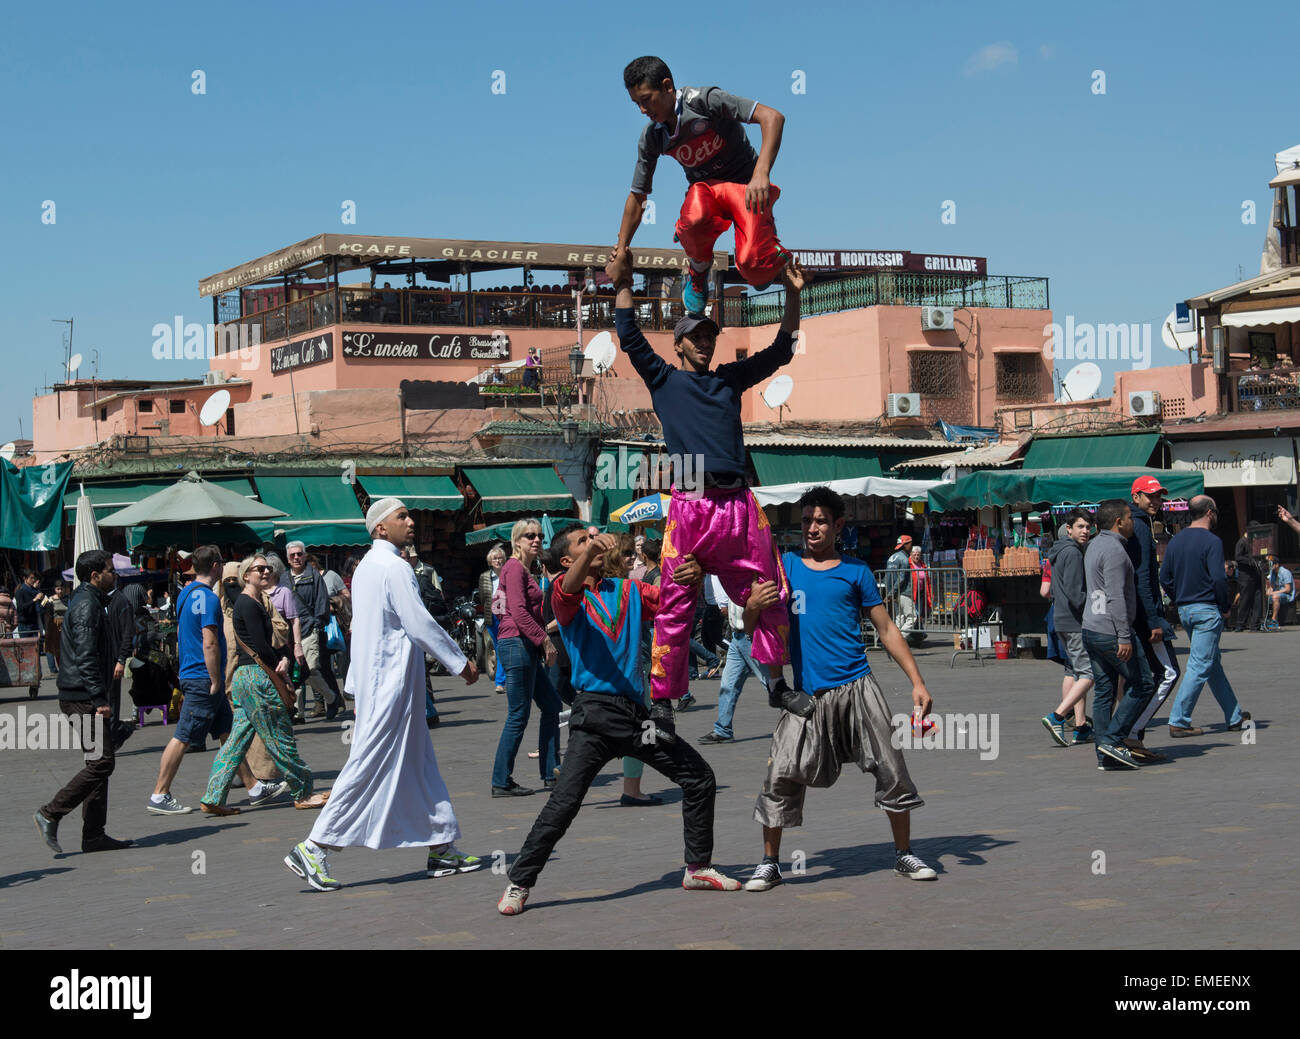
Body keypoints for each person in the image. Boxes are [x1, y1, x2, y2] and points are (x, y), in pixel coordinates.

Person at [496, 525, 740, 915]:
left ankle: (697, 868)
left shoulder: (628, 589)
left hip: (635, 718)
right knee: (564, 803)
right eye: (582, 541)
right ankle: (519, 881)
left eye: (594, 537)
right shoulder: (564, 596)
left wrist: (693, 578)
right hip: (594, 715)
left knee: (699, 777)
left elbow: (673, 606)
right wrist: (593, 546)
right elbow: (568, 586)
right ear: (566, 561)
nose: (594, 539)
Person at [603, 249, 807, 714]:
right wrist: (624, 282)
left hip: (736, 503)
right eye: (694, 337)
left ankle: (777, 684)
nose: (703, 342)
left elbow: (780, 352)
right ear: (678, 345)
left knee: (774, 588)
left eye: (709, 336)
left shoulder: (728, 380)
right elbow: (629, 335)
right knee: (675, 605)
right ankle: (663, 698)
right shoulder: (664, 379)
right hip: (691, 499)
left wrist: (793, 298)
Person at [743, 487, 936, 892]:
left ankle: (903, 853)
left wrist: (917, 682)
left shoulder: (856, 572)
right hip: (806, 696)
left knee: (892, 768)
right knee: (780, 773)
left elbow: (886, 629)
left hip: (858, 687)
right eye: (806, 521)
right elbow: (750, 627)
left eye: (820, 521)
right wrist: (753, 606)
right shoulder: (785, 568)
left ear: (838, 526)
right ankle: (769, 864)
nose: (812, 528)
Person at [284, 499, 482, 891]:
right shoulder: (393, 568)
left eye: (410, 515)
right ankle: (314, 846)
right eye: (402, 517)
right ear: (379, 529)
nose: (411, 522)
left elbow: (367, 627)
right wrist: (460, 662)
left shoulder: (369, 568)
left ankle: (441, 846)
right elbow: (418, 623)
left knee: (419, 763)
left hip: (384, 683)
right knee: (368, 763)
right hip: (389, 684)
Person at [612, 56, 791, 316]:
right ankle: (698, 271)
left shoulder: (705, 101)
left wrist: (761, 174)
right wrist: (621, 247)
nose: (642, 110)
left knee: (755, 270)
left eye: (646, 99)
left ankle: (766, 251)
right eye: (636, 103)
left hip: (746, 189)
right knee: (692, 217)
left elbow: (772, 117)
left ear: (667, 86)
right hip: (707, 193)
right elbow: (638, 196)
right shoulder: (653, 137)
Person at [147, 546, 267, 815]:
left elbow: (182, 633)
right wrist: (215, 679)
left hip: (192, 672)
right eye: (222, 563)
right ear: (215, 566)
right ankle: (159, 793)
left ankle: (254, 787)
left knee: (228, 733)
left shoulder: (185, 593)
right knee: (184, 736)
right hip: (203, 677)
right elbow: (210, 641)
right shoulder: (209, 598)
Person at [201, 554, 325, 814]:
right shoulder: (249, 604)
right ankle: (303, 791)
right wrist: (281, 661)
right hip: (258, 677)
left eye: (268, 568)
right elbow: (260, 645)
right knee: (280, 736)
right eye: (259, 569)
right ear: (247, 575)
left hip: (246, 677)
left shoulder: (252, 601)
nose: (266, 572)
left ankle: (213, 796)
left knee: (236, 740)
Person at [33, 550, 133, 854]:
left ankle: (93, 835)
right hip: (82, 696)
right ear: (94, 575)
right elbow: (86, 656)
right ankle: (50, 813)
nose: (113, 575)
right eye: (108, 570)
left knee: (98, 764)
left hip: (82, 693)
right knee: (102, 761)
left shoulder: (90, 601)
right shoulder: (87, 605)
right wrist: (99, 698)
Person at [1160, 496, 1249, 737]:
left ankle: (1234, 715)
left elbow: (1164, 577)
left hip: (1185, 609)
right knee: (1200, 664)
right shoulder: (1212, 541)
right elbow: (1219, 578)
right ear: (1210, 512)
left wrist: (1178, 596)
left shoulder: (1176, 541)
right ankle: (1178, 720)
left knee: (1211, 662)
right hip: (1206, 609)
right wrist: (1224, 604)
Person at [1080, 500, 1155, 771]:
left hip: (1092, 627)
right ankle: (1111, 740)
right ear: (1118, 522)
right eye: (1129, 518)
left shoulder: (1095, 545)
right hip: (1110, 630)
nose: (1132, 522)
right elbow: (1115, 596)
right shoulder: (1114, 550)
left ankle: (1105, 755)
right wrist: (1124, 636)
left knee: (1105, 691)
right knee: (1144, 683)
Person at [491, 518, 563, 796]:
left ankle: (551, 772)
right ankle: (501, 780)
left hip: (522, 644)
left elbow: (500, 607)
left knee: (552, 704)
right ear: (517, 541)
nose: (536, 540)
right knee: (518, 715)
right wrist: (544, 640)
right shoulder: (513, 567)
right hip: (518, 645)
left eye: (539, 536)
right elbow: (518, 611)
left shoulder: (523, 570)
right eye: (529, 536)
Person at [1122, 477, 1179, 762]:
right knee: (1167, 674)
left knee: (1143, 677)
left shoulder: (1139, 524)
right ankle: (1131, 733)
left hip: (1137, 613)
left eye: (1159, 497)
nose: (1156, 501)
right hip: (1146, 615)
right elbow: (1142, 577)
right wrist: (1154, 619)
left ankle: (1129, 734)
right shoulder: (1141, 527)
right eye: (1150, 496)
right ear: (1136, 497)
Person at [1040, 510, 1095, 747]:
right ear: (1069, 529)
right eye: (1080, 526)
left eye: (1088, 526)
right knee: (1089, 673)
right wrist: (1093, 607)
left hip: (1061, 618)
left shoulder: (1061, 551)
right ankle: (1058, 716)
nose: (1085, 531)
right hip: (1074, 621)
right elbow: (1076, 593)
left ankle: (1081, 726)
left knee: (1073, 672)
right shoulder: (1072, 553)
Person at [700, 572, 769, 744]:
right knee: (728, 685)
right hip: (738, 637)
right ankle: (723, 729)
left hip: (750, 636)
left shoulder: (752, 573)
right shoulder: (732, 571)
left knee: (771, 683)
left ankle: (801, 722)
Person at [283, 541, 345, 721]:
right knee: (296, 672)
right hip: (290, 633)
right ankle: (298, 712)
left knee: (308, 669)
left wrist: (317, 622)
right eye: (292, 555)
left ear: (304, 556)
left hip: (309, 629)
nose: (296, 557)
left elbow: (322, 601)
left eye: (299, 554)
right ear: (287, 559)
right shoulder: (284, 578)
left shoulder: (313, 576)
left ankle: (332, 698)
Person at [407, 546, 448, 729]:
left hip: (424, 621)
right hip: (412, 625)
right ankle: (428, 709)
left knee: (419, 667)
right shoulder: (401, 570)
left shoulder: (427, 570)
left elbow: (439, 595)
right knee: (419, 668)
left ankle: (428, 710)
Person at [478, 543, 508, 694]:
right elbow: (483, 597)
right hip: (492, 616)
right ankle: (502, 680)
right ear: (490, 561)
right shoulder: (484, 577)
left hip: (507, 615)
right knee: (498, 647)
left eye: (500, 558)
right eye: (495, 558)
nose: (498, 561)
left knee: (504, 646)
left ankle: (501, 681)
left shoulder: (508, 574)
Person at [1231, 531, 1263, 632]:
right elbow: (1238, 557)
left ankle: (1255, 625)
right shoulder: (1241, 542)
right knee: (1245, 599)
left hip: (1255, 575)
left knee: (1257, 600)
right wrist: (1249, 561)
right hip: (1245, 576)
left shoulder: (1253, 542)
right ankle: (1240, 624)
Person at [14, 567, 45, 638]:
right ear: (25, 578)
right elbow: (21, 608)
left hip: (34, 623)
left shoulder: (35, 591)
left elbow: (39, 607)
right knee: (26, 646)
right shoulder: (20, 591)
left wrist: (42, 600)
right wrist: (34, 600)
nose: (33, 580)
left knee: (35, 647)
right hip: (24, 624)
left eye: (34, 578)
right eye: (31, 578)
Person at [1266, 555, 1294, 625]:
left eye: (1271, 564)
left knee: (1275, 596)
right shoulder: (1272, 573)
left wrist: (1274, 592)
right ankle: (1266, 619)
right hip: (1277, 593)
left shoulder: (1285, 572)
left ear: (1277, 564)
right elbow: (1272, 587)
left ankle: (1274, 619)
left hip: (1287, 595)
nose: (1270, 566)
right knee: (1266, 596)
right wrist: (1269, 591)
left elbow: (1288, 589)